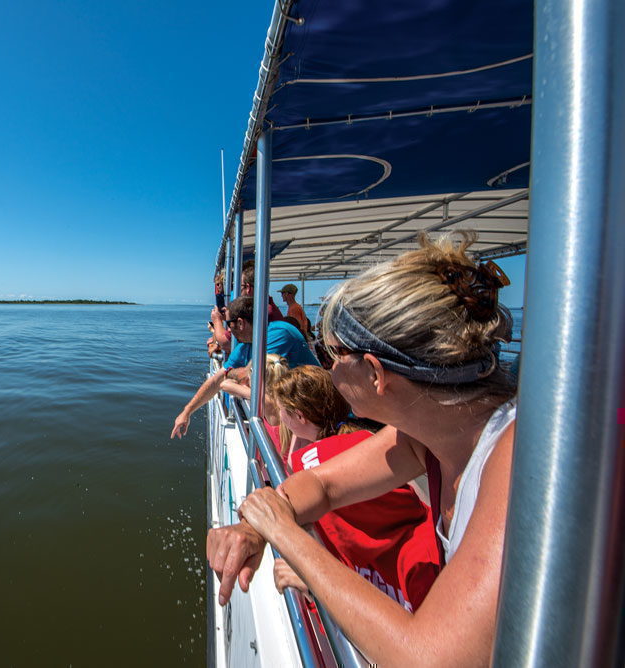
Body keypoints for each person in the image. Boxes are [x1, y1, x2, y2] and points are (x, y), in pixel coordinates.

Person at [206, 232, 515, 665]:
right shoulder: (426, 435)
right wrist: (253, 528)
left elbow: (429, 657)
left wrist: (287, 537)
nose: (327, 371)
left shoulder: (516, 464)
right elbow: (324, 485)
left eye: (334, 356)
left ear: (374, 373)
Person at [269, 365, 440, 612]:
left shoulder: (423, 573)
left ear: (299, 416)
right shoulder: (363, 442)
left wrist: (315, 580)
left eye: (282, 411)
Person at [171, 296, 319, 439]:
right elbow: (218, 379)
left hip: (314, 412)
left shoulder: (278, 334)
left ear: (240, 323)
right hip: (294, 416)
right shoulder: (246, 344)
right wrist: (187, 412)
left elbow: (250, 375)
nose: (228, 330)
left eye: (229, 324)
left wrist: (231, 374)